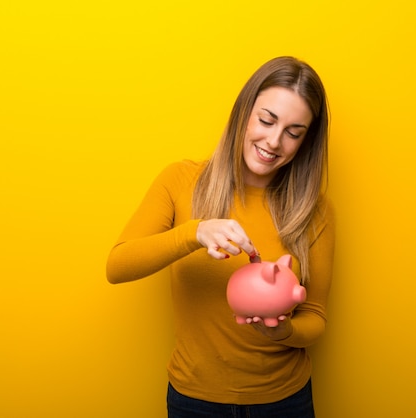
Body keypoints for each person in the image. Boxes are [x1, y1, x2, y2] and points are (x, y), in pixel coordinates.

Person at [106, 56, 335, 417]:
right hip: (194, 400)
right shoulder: (180, 181)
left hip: (284, 401)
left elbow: (316, 317)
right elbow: (117, 266)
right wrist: (194, 232)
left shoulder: (314, 210)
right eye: (266, 120)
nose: (274, 141)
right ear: (243, 112)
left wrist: (284, 333)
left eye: (293, 133)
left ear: (306, 141)